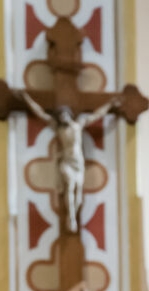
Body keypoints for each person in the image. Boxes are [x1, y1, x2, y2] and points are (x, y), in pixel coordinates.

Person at [21, 92, 121, 232]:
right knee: (69, 189)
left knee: (78, 192)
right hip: (67, 161)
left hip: (77, 162)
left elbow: (97, 115)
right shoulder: (58, 128)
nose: (63, 117)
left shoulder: (78, 125)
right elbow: (40, 113)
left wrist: (110, 104)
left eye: (65, 114)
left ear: (69, 114)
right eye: (60, 115)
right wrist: (27, 99)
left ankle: (75, 212)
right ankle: (71, 217)